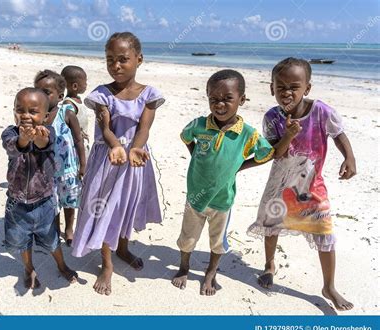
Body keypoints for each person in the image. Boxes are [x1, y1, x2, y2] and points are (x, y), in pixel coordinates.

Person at [172, 69, 300, 295]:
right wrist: (198, 156)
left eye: (227, 99)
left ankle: (211, 272)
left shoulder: (247, 134)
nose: (220, 104)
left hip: (223, 199)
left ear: (241, 100)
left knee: (217, 242)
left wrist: (239, 166)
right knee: (187, 238)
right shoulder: (200, 125)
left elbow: (268, 154)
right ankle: (184, 267)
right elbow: (186, 138)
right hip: (195, 196)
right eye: (214, 99)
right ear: (208, 97)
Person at [248, 57, 356, 311]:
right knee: (271, 225)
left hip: (311, 186)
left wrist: (349, 157)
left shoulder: (321, 111)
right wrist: (288, 135)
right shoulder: (272, 117)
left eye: (294, 87)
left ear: (307, 88)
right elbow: (277, 153)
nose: (287, 92)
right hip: (280, 183)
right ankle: (269, 264)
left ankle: (328, 286)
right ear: (271, 88)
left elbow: (338, 134)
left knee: (325, 233)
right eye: (281, 86)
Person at [72, 32, 165, 295]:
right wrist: (116, 146)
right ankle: (107, 263)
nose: (116, 66)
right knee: (104, 210)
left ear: (139, 59)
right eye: (110, 60)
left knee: (125, 207)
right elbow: (106, 126)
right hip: (107, 160)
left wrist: (134, 148)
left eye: (123, 59)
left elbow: (144, 128)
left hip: (136, 160)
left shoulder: (149, 95)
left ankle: (123, 248)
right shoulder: (102, 94)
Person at [1, 87, 78, 289]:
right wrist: (24, 138)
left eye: (33, 111)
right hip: (16, 202)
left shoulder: (49, 132)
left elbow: (45, 143)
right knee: (21, 240)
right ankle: (29, 269)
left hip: (43, 202)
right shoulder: (10, 133)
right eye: (20, 109)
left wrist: (36, 137)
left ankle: (61, 264)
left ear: (45, 116)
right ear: (14, 112)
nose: (25, 115)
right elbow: (13, 146)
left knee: (52, 239)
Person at [34, 70, 86, 247]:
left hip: (68, 169)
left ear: (60, 95)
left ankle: (69, 228)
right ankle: (54, 230)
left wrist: (83, 165)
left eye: (47, 92)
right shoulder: (36, 116)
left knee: (69, 202)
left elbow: (78, 139)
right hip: (47, 172)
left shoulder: (67, 113)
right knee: (52, 204)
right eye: (38, 91)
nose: (42, 96)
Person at [61, 65, 90, 151]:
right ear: (75, 86)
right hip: (74, 144)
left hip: (82, 141)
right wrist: (78, 133)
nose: (86, 85)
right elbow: (65, 124)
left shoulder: (78, 100)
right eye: (85, 82)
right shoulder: (68, 103)